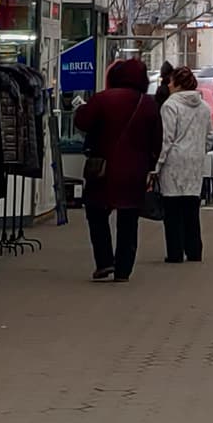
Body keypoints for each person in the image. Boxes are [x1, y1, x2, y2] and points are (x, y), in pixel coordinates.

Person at [76, 57, 159, 281]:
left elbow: (82, 122)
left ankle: (104, 261)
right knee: (129, 220)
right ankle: (123, 269)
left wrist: (81, 109)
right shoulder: (147, 103)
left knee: (96, 213)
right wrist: (150, 167)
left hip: (103, 168)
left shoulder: (103, 99)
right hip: (135, 172)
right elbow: (156, 140)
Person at [155, 65, 211, 261]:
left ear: (178, 84)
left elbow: (166, 138)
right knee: (191, 209)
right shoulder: (204, 107)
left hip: (174, 163)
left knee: (172, 210)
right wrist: (199, 151)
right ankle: (194, 251)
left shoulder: (170, 106)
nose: (168, 85)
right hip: (195, 162)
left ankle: (175, 252)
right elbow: (209, 137)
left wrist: (157, 166)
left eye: (171, 81)